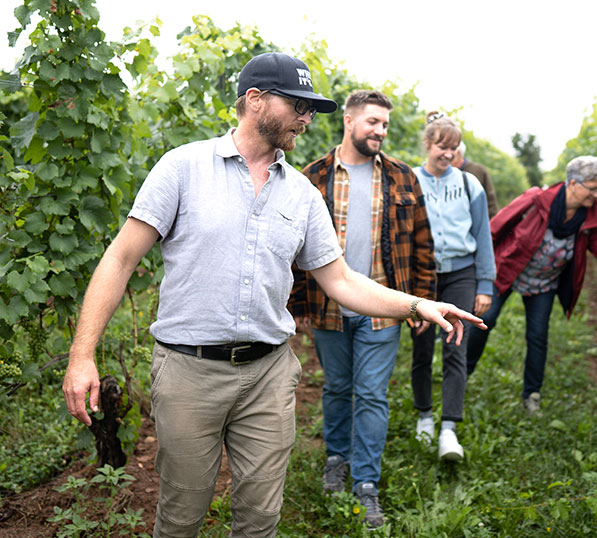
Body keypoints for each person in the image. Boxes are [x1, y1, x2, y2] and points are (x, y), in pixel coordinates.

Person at [62, 53, 484, 538]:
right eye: (298, 105)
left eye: (311, 108)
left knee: (261, 517)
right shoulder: (183, 168)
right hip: (188, 373)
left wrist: (414, 304)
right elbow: (120, 259)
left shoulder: (303, 194)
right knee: (182, 514)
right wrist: (82, 355)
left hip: (268, 375)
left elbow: (342, 281)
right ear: (255, 100)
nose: (307, 118)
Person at [289, 89, 436, 528]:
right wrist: (295, 304)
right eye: (373, 121)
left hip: (383, 309)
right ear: (349, 121)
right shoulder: (310, 176)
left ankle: (365, 484)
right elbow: (292, 248)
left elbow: (423, 247)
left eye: (385, 124)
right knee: (336, 388)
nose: (381, 131)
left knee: (371, 393)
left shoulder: (403, 177)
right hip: (327, 306)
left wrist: (421, 305)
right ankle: (336, 458)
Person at [465, 156, 597, 416]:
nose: (596, 195)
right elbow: (494, 229)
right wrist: (473, 269)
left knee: (538, 336)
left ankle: (532, 396)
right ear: (573, 183)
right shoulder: (536, 200)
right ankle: (463, 374)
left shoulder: (590, 222)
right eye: (592, 188)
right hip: (506, 272)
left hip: (544, 284)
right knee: (484, 320)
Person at [410, 112, 496, 461]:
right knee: (420, 345)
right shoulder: (410, 181)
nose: (447, 153)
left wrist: (485, 283)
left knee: (455, 346)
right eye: (441, 147)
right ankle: (424, 417)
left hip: (462, 273)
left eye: (453, 148)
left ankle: (449, 429)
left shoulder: (468, 183)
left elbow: (483, 235)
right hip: (422, 275)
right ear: (428, 145)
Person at [451, 141, 499, 218]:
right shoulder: (442, 173)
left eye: (451, 150)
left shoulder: (479, 171)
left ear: (458, 153)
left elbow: (491, 202)